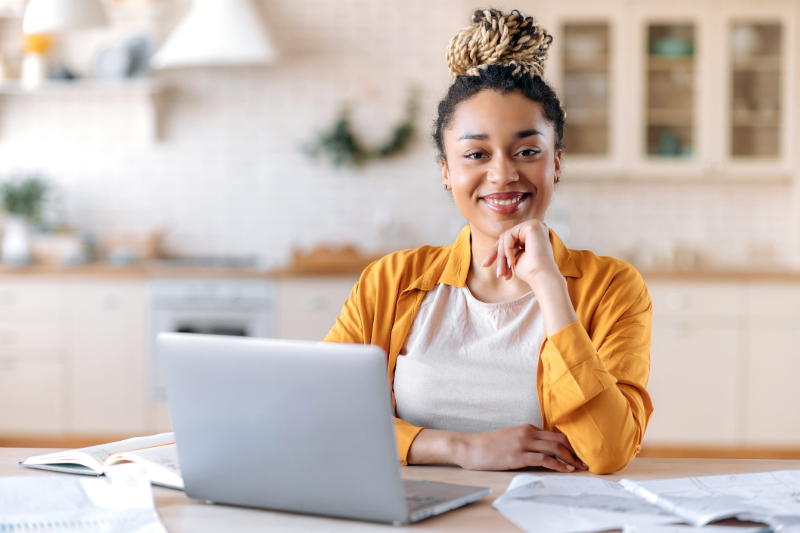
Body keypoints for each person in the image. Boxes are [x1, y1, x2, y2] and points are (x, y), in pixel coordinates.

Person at [324, 8, 652, 475]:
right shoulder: (391, 280)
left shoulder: (614, 287)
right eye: (476, 154)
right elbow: (324, 414)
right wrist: (459, 447)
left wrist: (550, 288)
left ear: (556, 163)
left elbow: (608, 450)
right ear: (445, 171)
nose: (502, 174)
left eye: (527, 151)